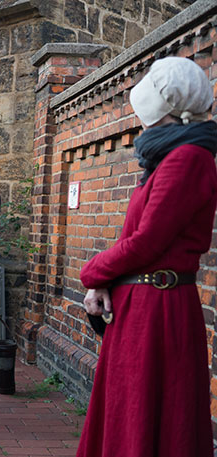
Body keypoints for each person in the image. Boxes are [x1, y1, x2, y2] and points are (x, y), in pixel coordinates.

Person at [77, 57, 217, 457]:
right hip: (140, 306)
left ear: (171, 110)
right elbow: (138, 243)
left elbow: (146, 243)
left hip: (160, 310)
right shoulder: (166, 158)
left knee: (151, 418)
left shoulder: (188, 159)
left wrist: (91, 272)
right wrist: (106, 280)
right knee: (129, 414)